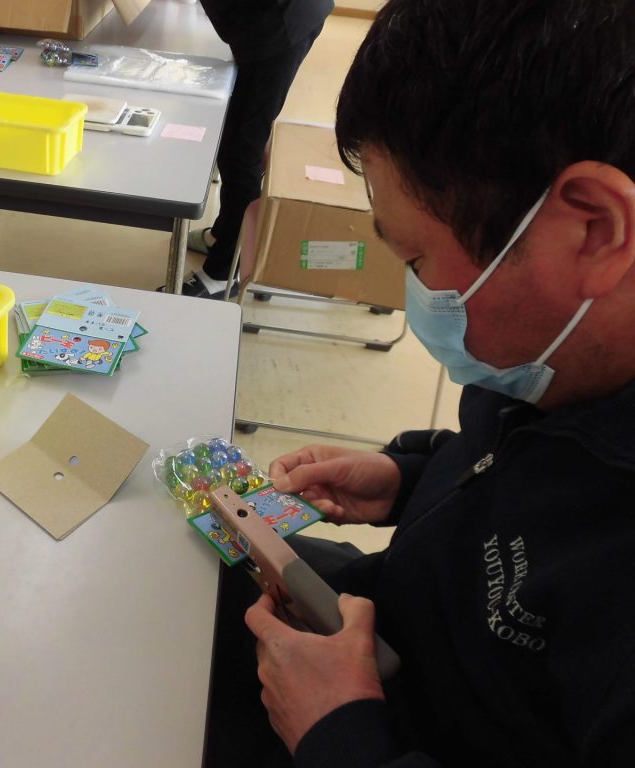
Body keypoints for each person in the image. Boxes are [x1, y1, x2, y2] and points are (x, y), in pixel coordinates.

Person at [208, 0, 635, 764]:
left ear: (593, 229)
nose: (416, 295)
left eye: (415, 260)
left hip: (379, 730)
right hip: (397, 615)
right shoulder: (555, 355)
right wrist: (412, 478)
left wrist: (338, 735)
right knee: (180, 583)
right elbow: (521, 469)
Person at [161, 0, 332, 299]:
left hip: (277, 25)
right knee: (237, 140)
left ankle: (226, 270)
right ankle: (227, 233)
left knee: (241, 152)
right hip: (273, 19)